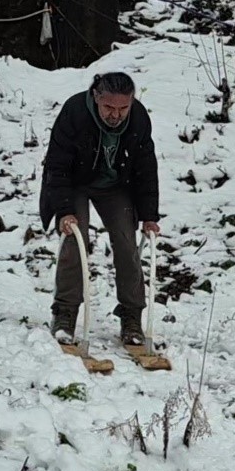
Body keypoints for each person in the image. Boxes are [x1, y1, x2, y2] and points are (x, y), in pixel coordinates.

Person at [38, 72, 161, 346]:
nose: (116, 115)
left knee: (127, 243)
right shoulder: (75, 112)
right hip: (75, 183)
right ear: (96, 97)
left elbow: (146, 168)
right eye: (109, 107)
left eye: (123, 108)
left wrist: (149, 216)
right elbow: (57, 166)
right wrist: (64, 211)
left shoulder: (139, 118)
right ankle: (65, 314)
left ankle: (131, 317)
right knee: (75, 239)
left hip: (115, 186)